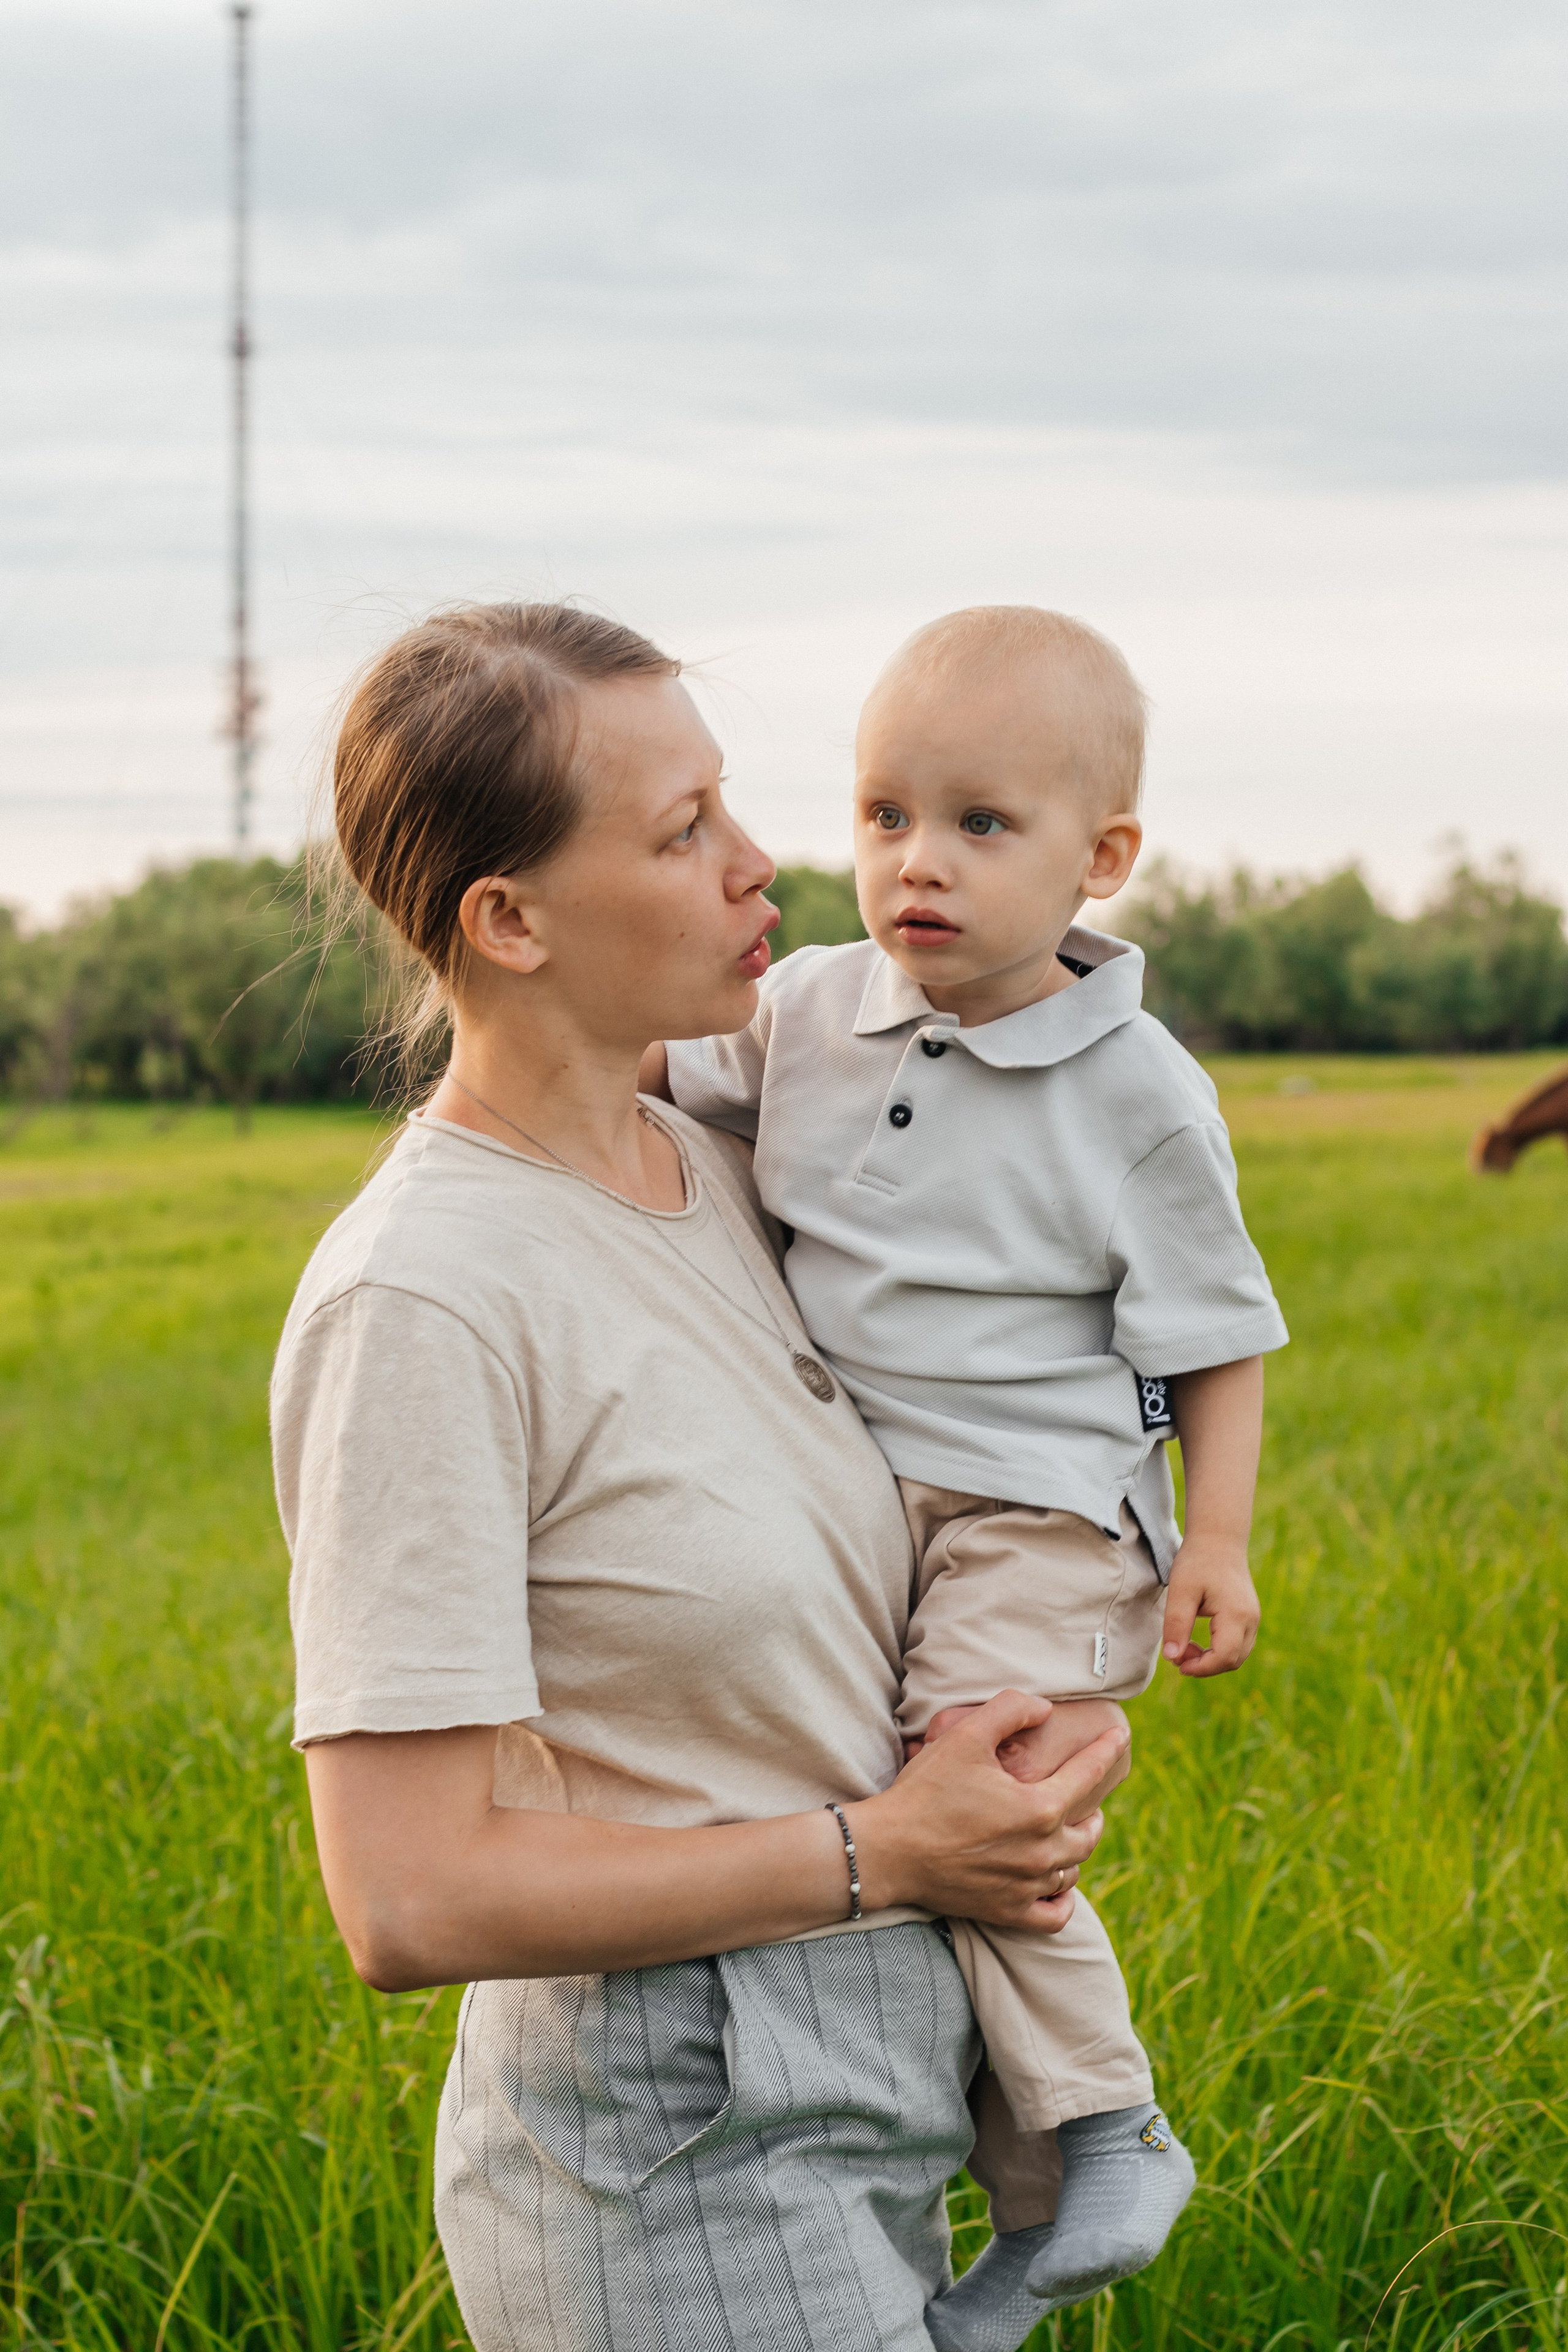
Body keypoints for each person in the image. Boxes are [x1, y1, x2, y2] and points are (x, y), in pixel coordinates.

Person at [271, 601, 1133, 2352]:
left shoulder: (736, 1168)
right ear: (506, 921)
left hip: (877, 2105)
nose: (762, 868)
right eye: (681, 835)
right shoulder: (425, 1296)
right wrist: (887, 1852)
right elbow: (406, 1896)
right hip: (671, 2167)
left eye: (731, 806)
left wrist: (1033, 1724)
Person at [646, 606, 1289, 2350]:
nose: (916, 865)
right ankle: (1019, 2212)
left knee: (965, 1793)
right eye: (882, 815)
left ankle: (1111, 2117)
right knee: (900, 1808)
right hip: (859, 1497)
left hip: (1038, 1513)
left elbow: (1216, 1333)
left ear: (1104, 858)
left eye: (981, 826)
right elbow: (657, 1075)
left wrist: (1210, 1538)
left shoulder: (1137, 1090)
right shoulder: (810, 1011)